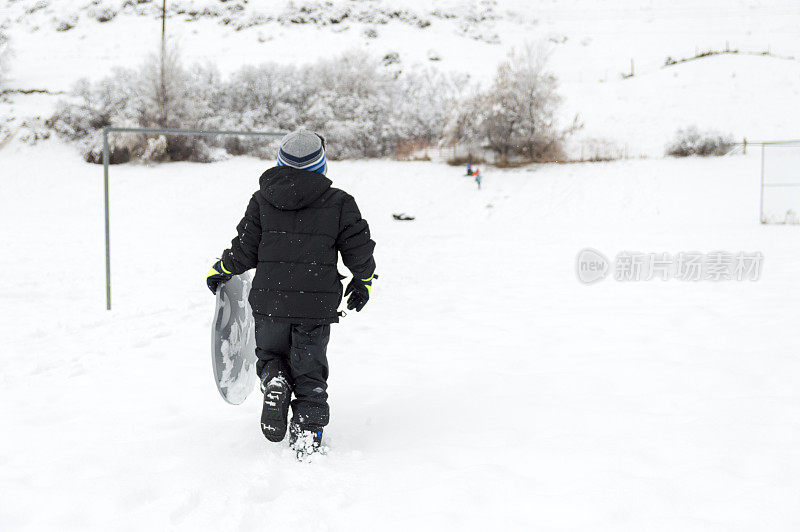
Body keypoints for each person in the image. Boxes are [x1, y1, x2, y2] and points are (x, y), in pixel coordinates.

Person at [206, 129, 376, 457]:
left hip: (270, 303)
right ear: (321, 165)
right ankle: (306, 437)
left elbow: (244, 249)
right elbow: (359, 251)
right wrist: (363, 280)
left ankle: (274, 381)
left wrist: (222, 269)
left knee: (270, 355)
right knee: (310, 372)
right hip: (315, 307)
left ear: (281, 163)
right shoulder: (340, 202)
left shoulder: (262, 200)